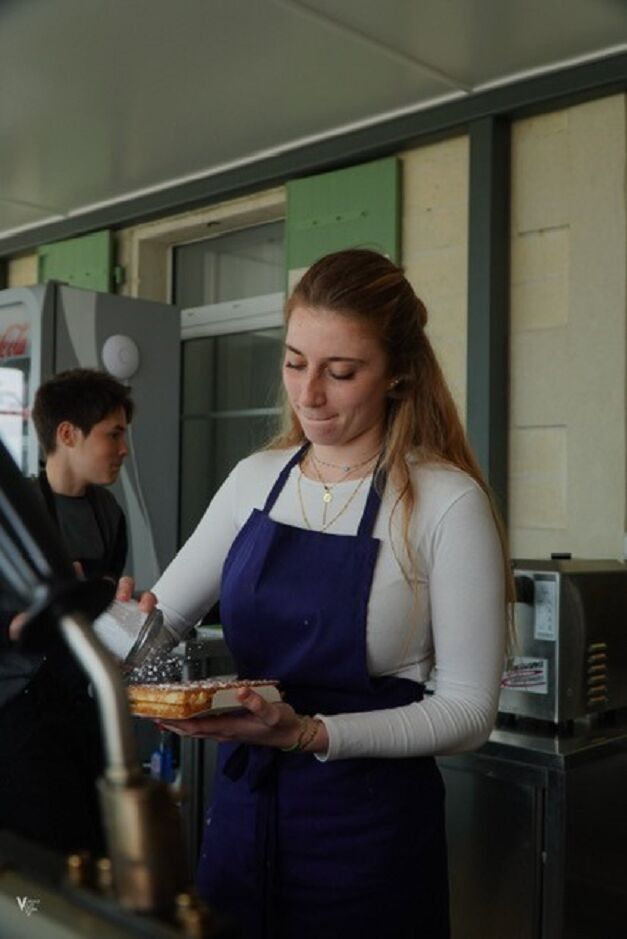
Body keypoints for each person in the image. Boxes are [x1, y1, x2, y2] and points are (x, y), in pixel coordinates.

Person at [128, 249, 510, 938]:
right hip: (244, 812)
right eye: (295, 361)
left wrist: (309, 733)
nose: (308, 395)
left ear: (396, 371)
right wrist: (103, 615)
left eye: (340, 372)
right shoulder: (255, 479)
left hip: (369, 835)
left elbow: (468, 711)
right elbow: (159, 621)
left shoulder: (444, 502)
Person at [0, 368, 133, 854]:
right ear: (67, 434)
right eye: (113, 435)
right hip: (21, 713)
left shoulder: (108, 513)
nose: (123, 449)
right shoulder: (17, 511)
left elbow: (109, 602)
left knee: (97, 849)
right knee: (44, 863)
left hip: (85, 705)